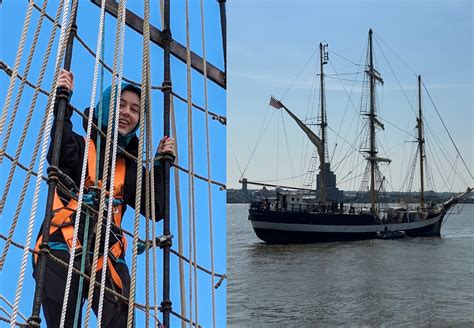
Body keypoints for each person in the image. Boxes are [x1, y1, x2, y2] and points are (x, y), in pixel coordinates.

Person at [33, 69, 175, 327]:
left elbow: (156, 208)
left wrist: (160, 165)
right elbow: (58, 153)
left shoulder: (129, 168)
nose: (126, 113)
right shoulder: (79, 145)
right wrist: (62, 100)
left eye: (134, 110)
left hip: (107, 255)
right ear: (106, 106)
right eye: (120, 105)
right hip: (60, 245)